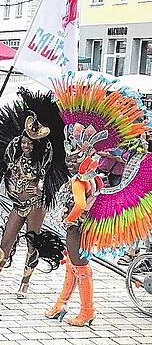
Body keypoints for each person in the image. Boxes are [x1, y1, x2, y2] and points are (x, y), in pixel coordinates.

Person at [45, 75, 152, 327]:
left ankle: (87, 311)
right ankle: (60, 305)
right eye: (69, 158)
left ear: (85, 155)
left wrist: (68, 219)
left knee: (79, 265)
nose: (70, 161)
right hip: (77, 225)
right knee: (72, 263)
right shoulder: (90, 175)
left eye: (74, 158)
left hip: (78, 225)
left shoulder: (82, 179)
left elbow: (81, 205)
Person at [0, 93, 66, 297]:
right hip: (18, 205)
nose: (25, 146)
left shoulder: (43, 159)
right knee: (6, 239)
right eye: (24, 143)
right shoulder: (13, 153)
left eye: (30, 144)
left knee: (31, 243)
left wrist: (40, 190)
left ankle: (25, 283)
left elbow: (47, 177)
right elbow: (9, 172)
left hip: (36, 205)